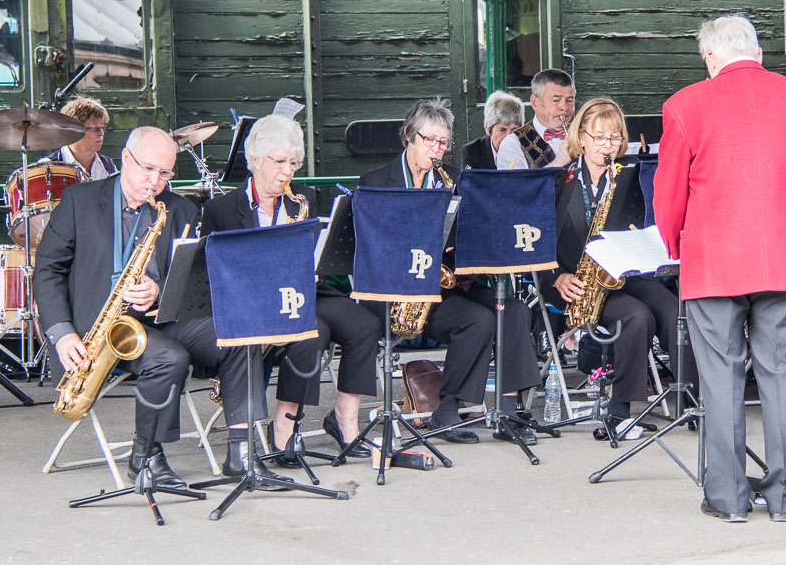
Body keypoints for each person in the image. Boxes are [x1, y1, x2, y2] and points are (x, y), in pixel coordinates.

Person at [654, 15, 786, 523]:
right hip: (783, 260)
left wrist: (674, 246)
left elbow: (669, 195)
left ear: (710, 58)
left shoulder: (685, 104)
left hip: (713, 264)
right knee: (782, 380)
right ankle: (785, 499)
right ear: (757, 52)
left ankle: (729, 499)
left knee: (721, 381)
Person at [34, 126, 291, 489]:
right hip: (95, 330)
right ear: (125, 159)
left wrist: (158, 289)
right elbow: (47, 271)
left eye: (165, 173)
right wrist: (62, 334)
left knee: (240, 333)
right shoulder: (79, 200)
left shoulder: (181, 208)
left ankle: (242, 454)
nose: (155, 182)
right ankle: (146, 455)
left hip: (161, 318)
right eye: (147, 170)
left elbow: (191, 279)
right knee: (169, 358)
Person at [358, 98, 542, 444]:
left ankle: (507, 410)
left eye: (444, 143)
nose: (437, 150)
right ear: (409, 137)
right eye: (430, 141)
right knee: (478, 320)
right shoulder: (376, 181)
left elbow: (477, 231)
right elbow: (370, 249)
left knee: (514, 309)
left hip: (450, 283)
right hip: (399, 292)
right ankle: (448, 408)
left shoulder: (454, 179)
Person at [201, 114, 382, 461]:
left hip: (304, 288)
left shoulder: (303, 198)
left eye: (294, 163)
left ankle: (345, 420)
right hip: (257, 302)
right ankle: (285, 429)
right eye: (280, 162)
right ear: (254, 160)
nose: (288, 173)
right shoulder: (221, 210)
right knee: (311, 332)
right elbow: (214, 274)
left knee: (365, 324)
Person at [546, 97, 696, 428]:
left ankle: (694, 399)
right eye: (599, 137)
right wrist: (557, 277)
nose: (607, 146)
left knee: (674, 310)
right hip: (579, 284)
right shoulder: (557, 182)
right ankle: (622, 407)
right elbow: (539, 246)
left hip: (624, 273)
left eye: (614, 138)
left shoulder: (626, 177)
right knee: (637, 317)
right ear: (581, 137)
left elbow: (639, 225)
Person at [495, 69, 576, 170]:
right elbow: (516, 185)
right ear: (535, 102)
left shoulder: (585, 136)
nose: (564, 107)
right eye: (556, 100)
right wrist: (558, 162)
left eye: (569, 100)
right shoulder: (512, 144)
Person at [42, 95, 117, 180]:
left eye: (102, 128)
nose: (101, 133)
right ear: (74, 131)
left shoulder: (108, 165)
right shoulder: (48, 167)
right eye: (95, 128)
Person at [461, 90, 524, 170]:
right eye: (502, 129)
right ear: (487, 129)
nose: (509, 136)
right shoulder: (472, 152)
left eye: (514, 130)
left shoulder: (529, 149)